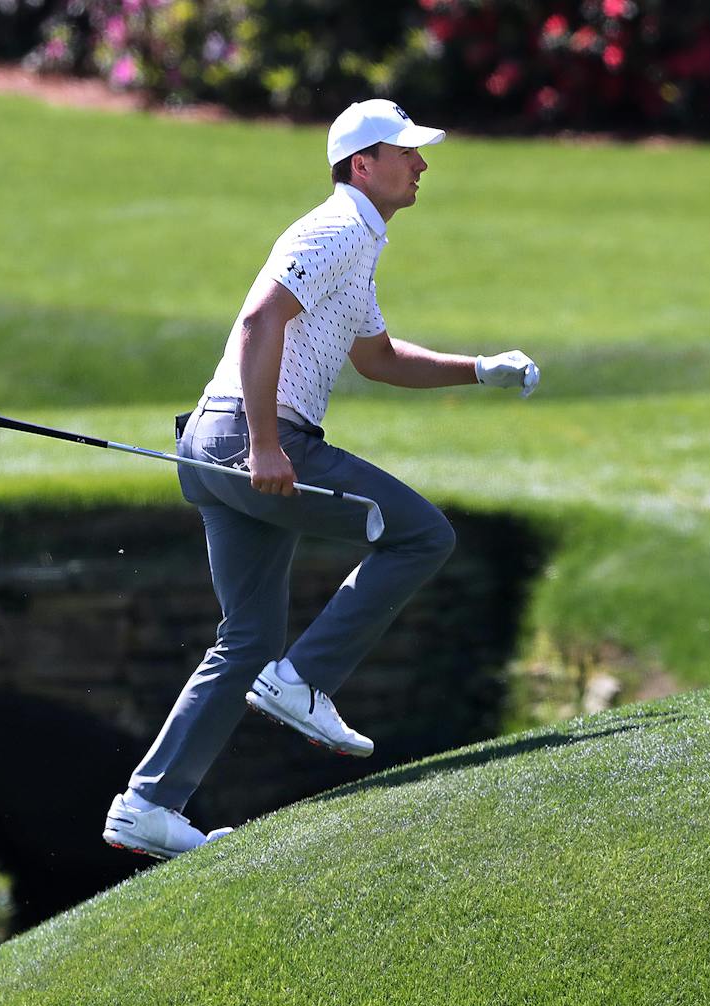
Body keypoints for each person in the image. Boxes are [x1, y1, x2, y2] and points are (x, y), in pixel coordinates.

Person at [102, 99, 540, 860]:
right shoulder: (335, 229)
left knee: (245, 639)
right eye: (406, 152)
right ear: (361, 165)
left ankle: (148, 802)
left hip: (214, 444)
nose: (422, 164)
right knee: (420, 534)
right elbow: (260, 323)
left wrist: (478, 368)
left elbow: (378, 358)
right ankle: (303, 678)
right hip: (253, 440)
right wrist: (268, 445)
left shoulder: (357, 242)